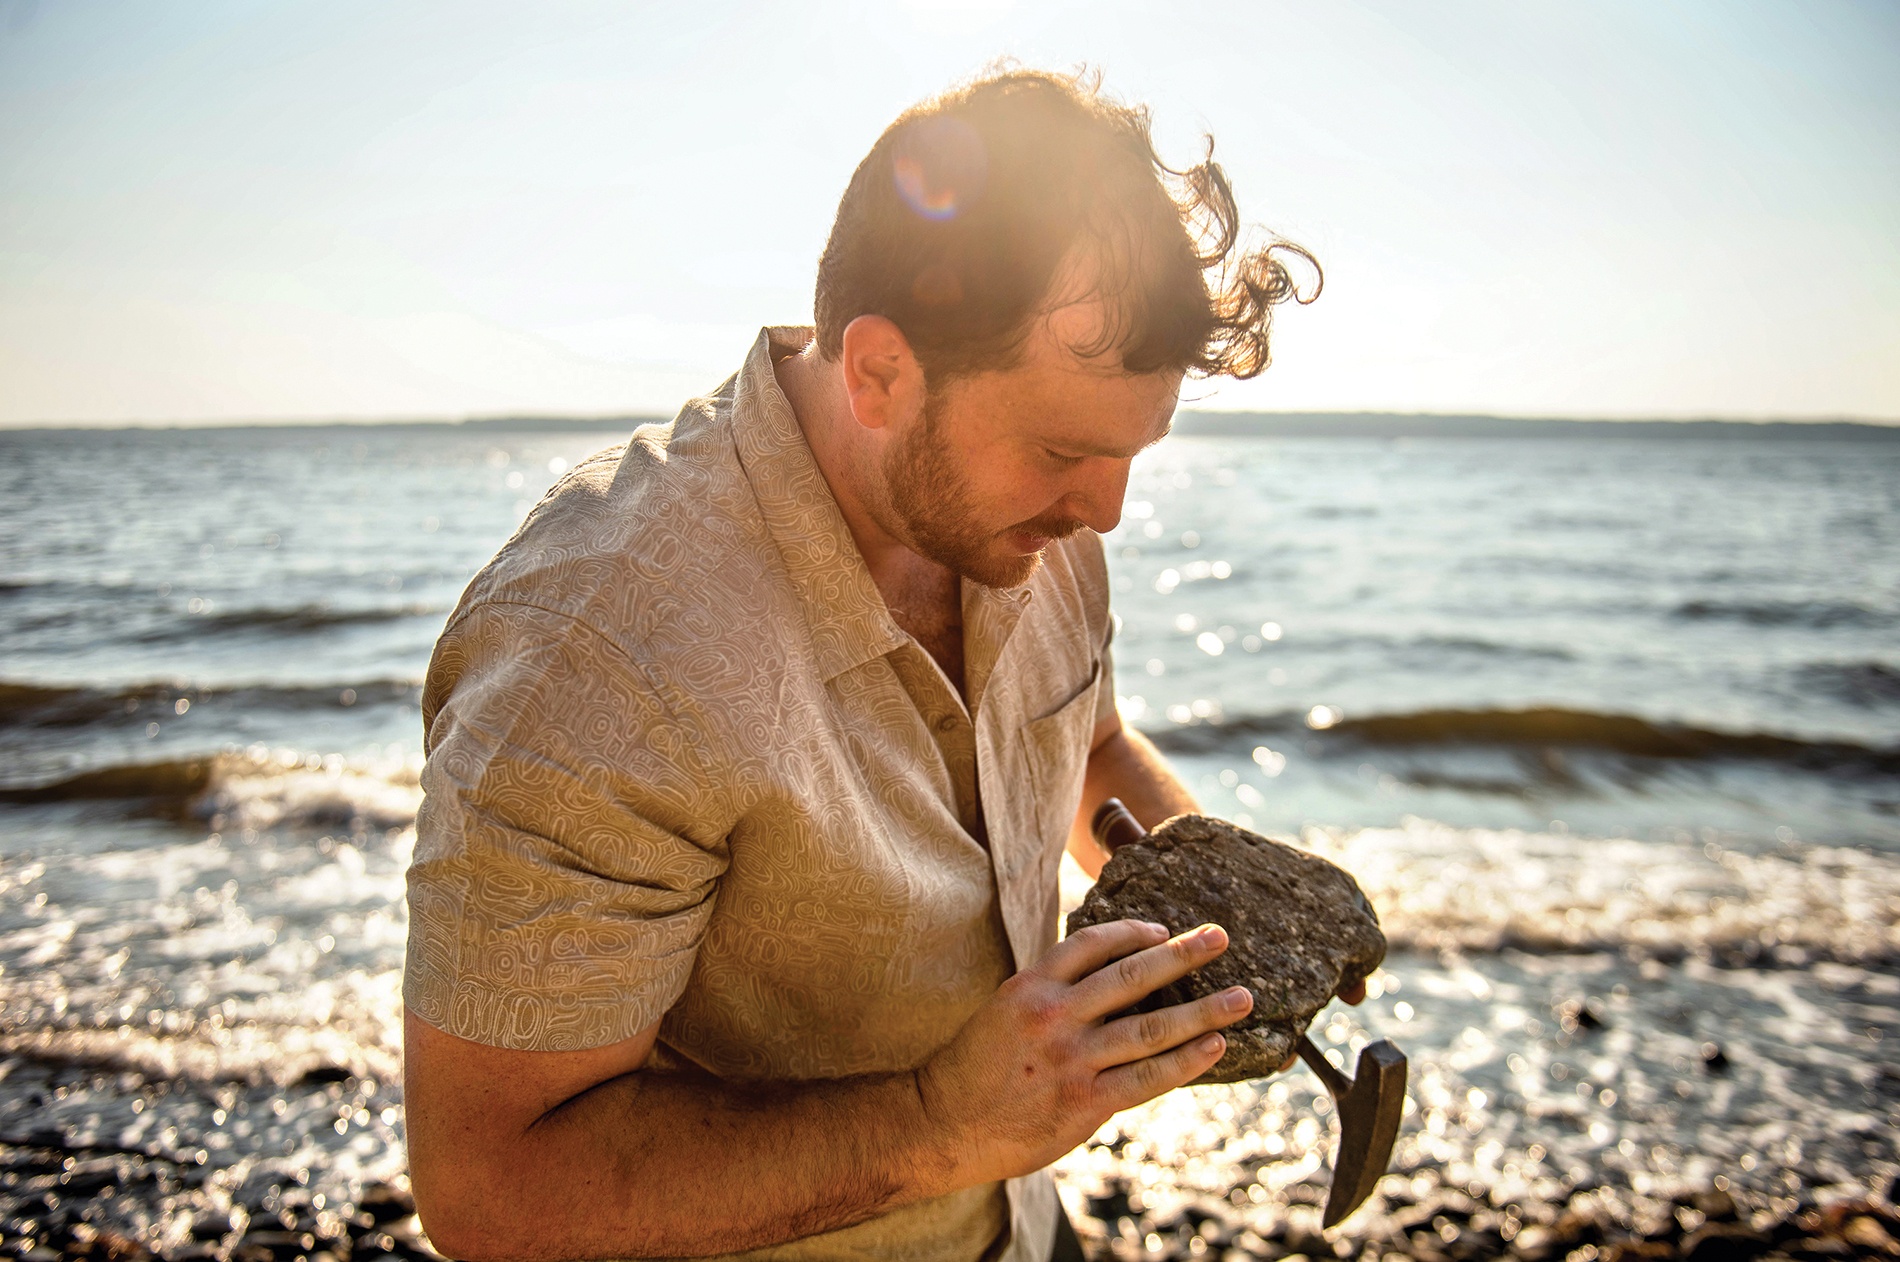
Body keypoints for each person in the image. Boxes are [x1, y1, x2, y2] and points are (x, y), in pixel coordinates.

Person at [401, 68, 1326, 1262]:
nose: (1104, 509)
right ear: (880, 370)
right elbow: (494, 1186)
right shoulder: (599, 647)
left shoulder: (1032, 525)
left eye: (1132, 451)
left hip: (1024, 1231)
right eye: (1060, 447)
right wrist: (943, 1121)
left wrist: (1229, 903)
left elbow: (1085, 743)